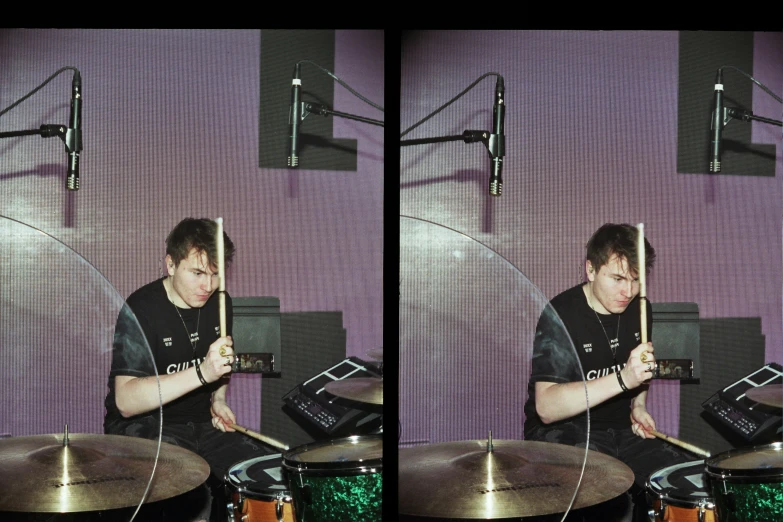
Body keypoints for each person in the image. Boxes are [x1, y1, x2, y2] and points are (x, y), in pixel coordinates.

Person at [104, 218, 273, 522]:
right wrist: (201, 374)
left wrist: (218, 398)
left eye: (215, 274)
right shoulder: (140, 309)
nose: (207, 285)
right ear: (170, 264)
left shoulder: (220, 303)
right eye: (196, 273)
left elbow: (220, 363)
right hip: (147, 426)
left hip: (201, 422)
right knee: (183, 494)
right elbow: (126, 402)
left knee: (265, 475)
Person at [523, 223, 690, 522]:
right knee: (606, 501)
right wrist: (623, 379)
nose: (628, 291)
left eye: (636, 280)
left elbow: (641, 368)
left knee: (686, 482)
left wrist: (638, 405)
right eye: (617, 278)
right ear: (590, 270)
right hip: (565, 431)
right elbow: (546, 407)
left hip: (621, 430)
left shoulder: (640, 309)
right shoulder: (560, 315)